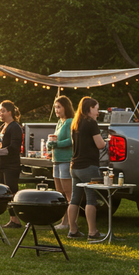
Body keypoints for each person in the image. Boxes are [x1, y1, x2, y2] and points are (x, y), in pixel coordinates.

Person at [66, 96, 106, 239]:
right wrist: (106, 142)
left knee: (75, 199)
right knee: (91, 199)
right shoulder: (91, 123)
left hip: (75, 166)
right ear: (90, 108)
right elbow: (100, 144)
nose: (98, 112)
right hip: (88, 166)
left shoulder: (76, 123)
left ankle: (72, 230)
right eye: (96, 108)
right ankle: (92, 231)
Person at [0, 100, 23, 229]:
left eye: (3, 111)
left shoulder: (15, 127)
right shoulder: (2, 127)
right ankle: (12, 219)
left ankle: (17, 219)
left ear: (10, 112)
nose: (0, 114)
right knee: (4, 192)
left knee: (12, 191)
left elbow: (14, 147)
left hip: (11, 165)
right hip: (1, 165)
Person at [48, 96, 75, 231]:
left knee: (68, 193)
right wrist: (50, 144)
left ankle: (70, 222)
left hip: (65, 160)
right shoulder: (59, 122)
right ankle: (64, 220)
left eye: (59, 107)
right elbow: (55, 139)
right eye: (55, 108)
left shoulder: (70, 121)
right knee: (60, 193)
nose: (56, 110)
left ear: (66, 107)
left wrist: (57, 144)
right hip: (56, 160)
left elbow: (71, 140)